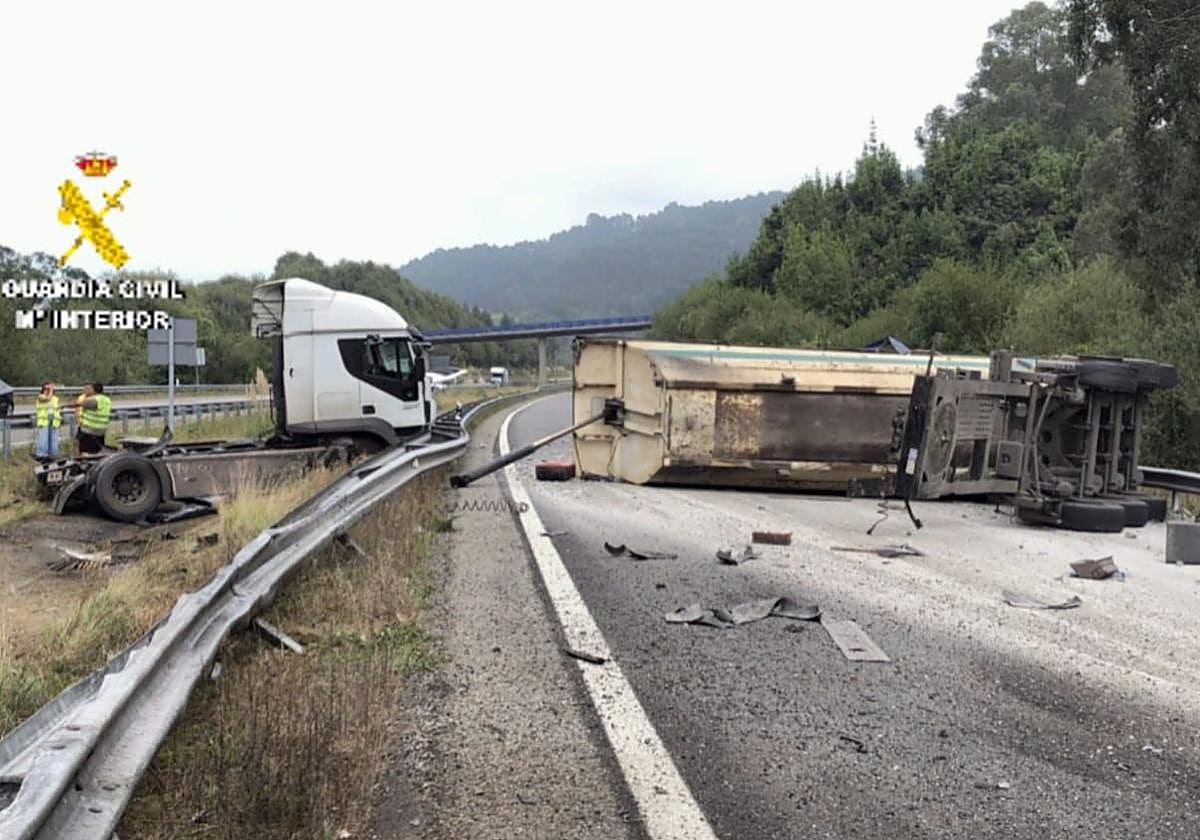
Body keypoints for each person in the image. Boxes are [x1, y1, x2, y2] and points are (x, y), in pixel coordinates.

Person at [75, 382, 112, 455]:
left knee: (85, 451)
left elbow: (79, 404)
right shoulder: (107, 400)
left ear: (93, 390)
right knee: (98, 450)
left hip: (89, 430)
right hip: (101, 429)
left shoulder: (93, 400)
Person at [33, 381, 61, 460]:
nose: (47, 390)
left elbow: (57, 409)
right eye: (45, 389)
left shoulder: (55, 399)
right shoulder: (40, 396)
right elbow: (47, 398)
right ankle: (42, 455)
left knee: (54, 440)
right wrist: (51, 389)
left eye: (49, 389)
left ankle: (53, 454)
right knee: (43, 439)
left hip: (54, 420)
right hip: (44, 421)